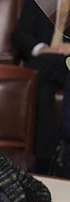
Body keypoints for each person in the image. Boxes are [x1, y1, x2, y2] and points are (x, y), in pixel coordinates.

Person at [12, 0, 70, 174]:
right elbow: (19, 35)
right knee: (43, 92)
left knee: (38, 70)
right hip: (47, 60)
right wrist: (42, 49)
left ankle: (44, 163)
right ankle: (50, 158)